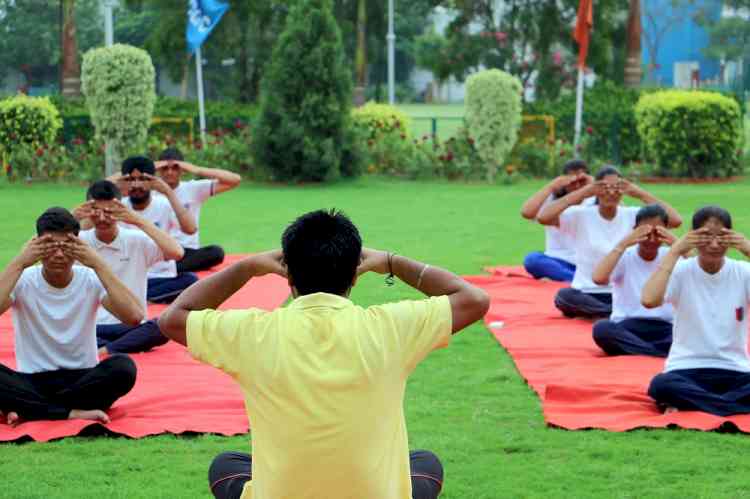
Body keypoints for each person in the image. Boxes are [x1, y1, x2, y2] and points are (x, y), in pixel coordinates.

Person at [158, 209, 490, 499]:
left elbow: (172, 319)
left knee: (227, 465)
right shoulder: (390, 327)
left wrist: (247, 268)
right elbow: (473, 299)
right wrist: (391, 262)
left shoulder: (253, 332)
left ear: (287, 275)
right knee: (423, 463)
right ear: (354, 276)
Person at [0, 208, 142, 426]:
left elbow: (134, 316)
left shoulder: (90, 278)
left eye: (66, 247)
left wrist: (98, 262)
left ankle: (32, 408)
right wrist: (20, 261)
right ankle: (68, 412)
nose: (58, 255)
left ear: (78, 246)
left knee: (124, 368)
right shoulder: (23, 279)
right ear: (36, 246)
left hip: (82, 379)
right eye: (49, 247)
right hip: (32, 379)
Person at [643, 206, 750, 416]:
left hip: (735, 370)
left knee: (668, 391)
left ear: (731, 237)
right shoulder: (681, 270)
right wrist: (675, 250)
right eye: (705, 237)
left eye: (721, 237)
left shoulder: (742, 272)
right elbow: (649, 299)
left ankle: (690, 404)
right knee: (661, 385)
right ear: (691, 237)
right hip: (686, 369)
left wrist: (748, 249)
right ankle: (729, 407)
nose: (714, 244)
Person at [537, 165, 682, 318]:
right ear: (596, 189)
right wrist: (584, 192)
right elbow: (543, 217)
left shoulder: (632, 215)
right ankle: (610, 311)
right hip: (589, 291)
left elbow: (675, 220)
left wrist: (639, 193)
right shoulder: (581, 214)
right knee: (564, 297)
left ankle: (610, 311)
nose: (611, 193)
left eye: (616, 188)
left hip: (623, 290)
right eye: (605, 188)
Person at [76, 180, 185, 355]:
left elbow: (177, 253)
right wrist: (72, 220)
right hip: (93, 326)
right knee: (68, 333)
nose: (102, 218)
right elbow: (42, 255)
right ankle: (122, 346)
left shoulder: (136, 239)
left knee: (159, 327)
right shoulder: (79, 241)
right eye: (96, 212)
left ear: (119, 209)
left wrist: (136, 219)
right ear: (88, 211)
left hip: (130, 324)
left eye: (109, 211)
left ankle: (104, 350)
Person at [591, 204, 676, 357]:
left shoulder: (672, 257)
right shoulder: (625, 255)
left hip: (665, 327)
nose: (651, 239)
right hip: (628, 325)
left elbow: (701, 271)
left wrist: (677, 244)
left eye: (657, 233)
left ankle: (638, 350)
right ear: (635, 230)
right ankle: (655, 353)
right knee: (602, 329)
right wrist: (624, 243)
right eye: (645, 233)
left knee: (691, 335)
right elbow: (598, 278)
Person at [119, 156, 198, 303]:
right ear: (124, 181)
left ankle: (139, 297)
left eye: (142, 179)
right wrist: (115, 188)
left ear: (153, 181)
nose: (137, 185)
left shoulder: (164, 204)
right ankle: (140, 297)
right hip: (129, 278)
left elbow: (191, 229)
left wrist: (168, 192)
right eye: (131, 180)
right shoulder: (118, 207)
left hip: (161, 277)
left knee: (191, 280)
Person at [156, 147, 241, 272]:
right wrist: (149, 168)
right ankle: (168, 268)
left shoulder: (193, 188)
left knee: (216, 253)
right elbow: (116, 184)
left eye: (175, 168)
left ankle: (168, 269)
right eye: (165, 168)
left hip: (187, 251)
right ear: (158, 170)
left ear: (182, 170)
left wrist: (196, 169)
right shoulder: (148, 191)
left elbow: (234, 180)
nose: (169, 172)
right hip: (160, 250)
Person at [520, 159, 592, 282]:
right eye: (572, 182)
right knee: (532, 260)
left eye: (582, 181)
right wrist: (551, 186)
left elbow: (619, 212)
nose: (577, 186)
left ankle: (571, 278)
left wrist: (595, 185)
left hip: (589, 261)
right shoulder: (554, 202)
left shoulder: (595, 201)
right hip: (558, 260)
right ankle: (576, 279)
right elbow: (527, 212)